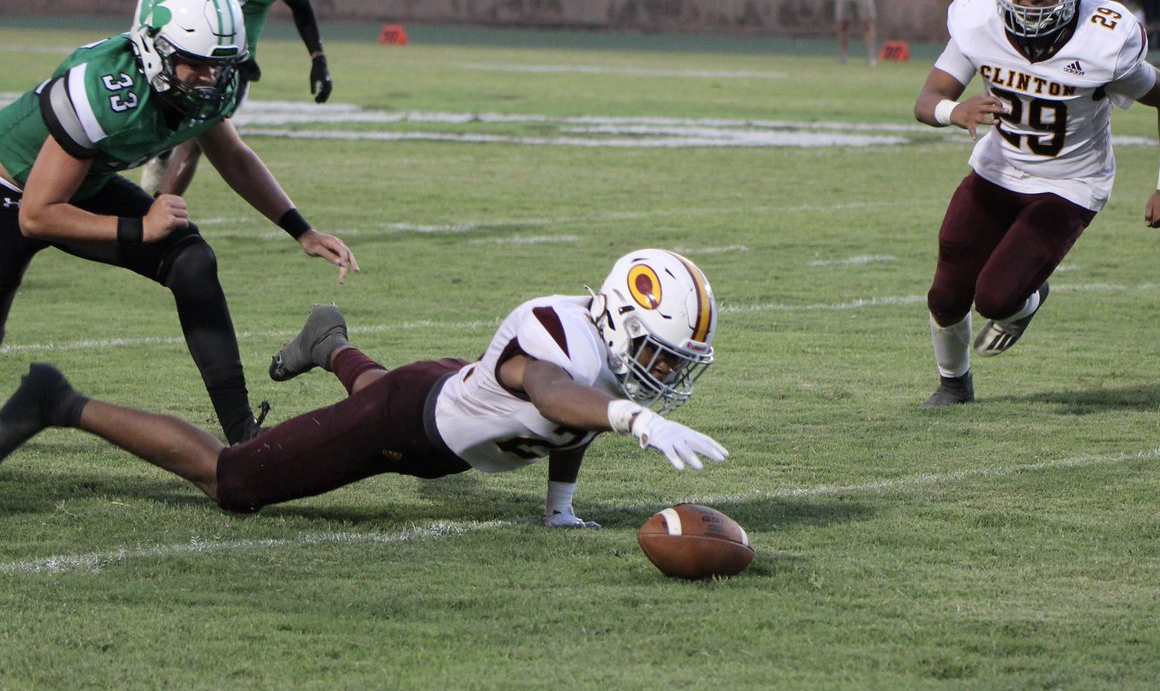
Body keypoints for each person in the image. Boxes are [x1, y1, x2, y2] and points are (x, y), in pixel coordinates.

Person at [0, 249, 726, 524]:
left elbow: (578, 418)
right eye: (663, 356)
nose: (663, 374)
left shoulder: (594, 360)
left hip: (438, 404)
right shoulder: (555, 332)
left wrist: (560, 507)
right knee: (232, 480)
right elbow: (552, 393)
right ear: (624, 318)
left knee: (404, 396)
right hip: (405, 421)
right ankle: (58, 399)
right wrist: (633, 417)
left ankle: (329, 342)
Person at [0, 0, 358, 443]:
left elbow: (233, 155)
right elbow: (37, 215)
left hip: (81, 183)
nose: (212, 78)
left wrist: (301, 229)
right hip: (12, 191)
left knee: (190, 260)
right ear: (153, 48)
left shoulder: (202, 81)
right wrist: (141, 229)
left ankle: (243, 436)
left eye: (220, 64)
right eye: (199, 63)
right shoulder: (102, 88)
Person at [913, 0, 1160, 408]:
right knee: (946, 291)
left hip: (1069, 184)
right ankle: (954, 383)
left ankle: (1030, 298)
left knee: (997, 298)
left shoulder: (1103, 40)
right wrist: (957, 111)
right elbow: (927, 100)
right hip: (997, 169)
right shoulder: (979, 21)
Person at [141, 0, 334, 195]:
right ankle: (158, 154)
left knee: (196, 139)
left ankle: (159, 210)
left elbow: (301, 6)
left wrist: (319, 58)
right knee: (162, 122)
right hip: (187, 53)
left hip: (235, 65)